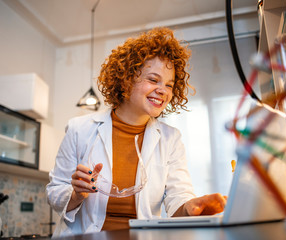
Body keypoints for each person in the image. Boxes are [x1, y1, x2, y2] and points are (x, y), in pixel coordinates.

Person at [46, 27, 227, 237]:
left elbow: (178, 197)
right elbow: (54, 193)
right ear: (126, 78)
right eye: (153, 79)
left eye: (169, 85)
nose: (163, 91)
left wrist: (192, 206)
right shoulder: (80, 129)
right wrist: (77, 194)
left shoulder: (171, 139)